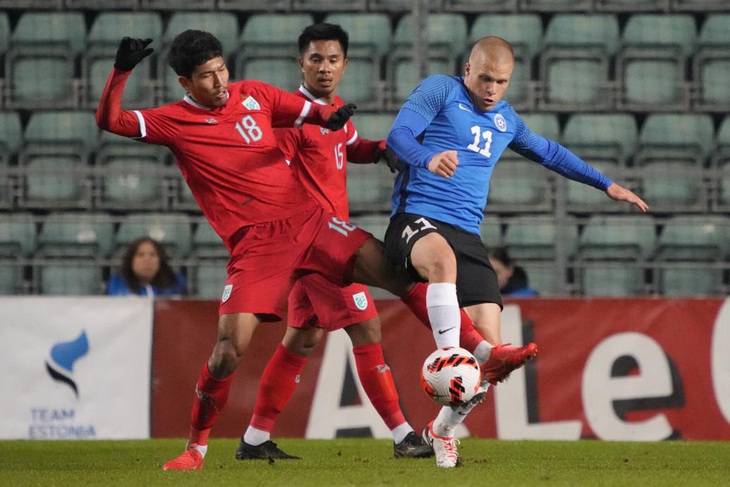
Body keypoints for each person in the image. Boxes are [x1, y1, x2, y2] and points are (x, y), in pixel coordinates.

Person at [96, 31, 527, 473]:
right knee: (228, 351)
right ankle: (196, 448)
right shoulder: (173, 121)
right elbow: (111, 120)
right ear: (186, 83)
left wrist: (368, 137)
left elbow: (314, 115)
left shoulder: (256, 95)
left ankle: (476, 354)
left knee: (392, 284)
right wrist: (121, 72)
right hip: (257, 245)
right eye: (207, 76)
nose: (221, 81)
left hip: (313, 224)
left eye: (222, 69)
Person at [385, 36, 649, 468]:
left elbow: (550, 152)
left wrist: (607, 184)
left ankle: (440, 432)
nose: (491, 88)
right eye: (484, 77)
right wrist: (428, 159)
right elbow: (398, 136)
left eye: (501, 81)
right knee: (442, 262)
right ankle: (447, 356)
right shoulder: (439, 90)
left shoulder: (506, 121)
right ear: (467, 70)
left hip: (466, 234)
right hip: (415, 219)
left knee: (494, 359)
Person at [236, 23, 431, 461]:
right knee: (366, 325)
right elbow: (270, 178)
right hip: (317, 242)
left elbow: (350, 145)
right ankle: (402, 436)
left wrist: (380, 149)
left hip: (321, 240)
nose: (324, 68)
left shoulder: (335, 110)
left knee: (302, 339)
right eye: (315, 59)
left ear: (345, 64)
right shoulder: (290, 119)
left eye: (333, 60)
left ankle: (252, 440)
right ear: (300, 63)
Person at [107, 236, 186, 296]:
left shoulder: (176, 284)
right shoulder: (116, 284)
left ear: (160, 260)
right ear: (131, 260)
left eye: (153, 255)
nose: (147, 260)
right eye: (140, 255)